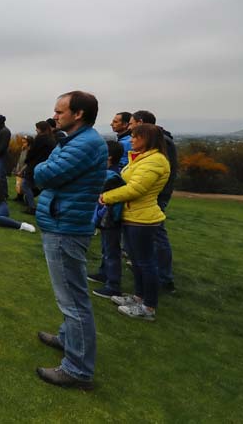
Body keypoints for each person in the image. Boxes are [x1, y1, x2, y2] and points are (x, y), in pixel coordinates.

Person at [34, 90, 107, 390]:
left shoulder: (85, 143)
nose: (54, 116)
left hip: (66, 226)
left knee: (73, 300)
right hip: (63, 221)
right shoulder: (74, 140)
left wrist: (40, 169)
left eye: (59, 111)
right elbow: (50, 169)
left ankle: (77, 369)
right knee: (70, 294)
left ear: (78, 114)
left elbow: (45, 174)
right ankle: (68, 339)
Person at [100, 123, 171, 321]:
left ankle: (148, 307)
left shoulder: (155, 161)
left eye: (135, 136)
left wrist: (107, 197)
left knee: (145, 263)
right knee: (137, 261)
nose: (131, 140)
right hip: (132, 215)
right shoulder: (142, 158)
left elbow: (136, 189)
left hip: (143, 219)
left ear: (147, 139)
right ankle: (139, 297)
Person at [130, 110, 178, 292]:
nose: (130, 128)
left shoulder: (161, 142)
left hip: (155, 195)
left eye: (132, 124)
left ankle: (163, 278)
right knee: (151, 237)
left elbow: (159, 172)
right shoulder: (159, 141)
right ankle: (152, 273)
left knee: (157, 235)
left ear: (141, 123)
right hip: (153, 194)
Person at [88, 140, 126, 299]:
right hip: (105, 218)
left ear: (109, 156)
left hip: (110, 219)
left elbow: (106, 199)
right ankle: (104, 273)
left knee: (111, 251)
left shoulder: (112, 177)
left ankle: (113, 285)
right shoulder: (110, 173)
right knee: (106, 248)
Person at [22, 121, 56, 214]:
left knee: (25, 184)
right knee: (36, 185)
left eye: (37, 128)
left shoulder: (40, 139)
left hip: (34, 165)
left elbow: (33, 152)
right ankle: (32, 202)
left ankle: (32, 206)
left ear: (41, 129)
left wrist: (27, 160)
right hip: (45, 165)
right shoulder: (51, 140)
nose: (36, 130)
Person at [12, 136, 33, 200]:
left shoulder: (30, 151)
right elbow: (20, 159)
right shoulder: (23, 149)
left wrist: (21, 170)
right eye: (22, 142)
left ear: (29, 143)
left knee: (23, 184)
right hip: (20, 167)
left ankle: (26, 198)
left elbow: (27, 163)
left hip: (25, 169)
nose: (23, 144)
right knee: (18, 183)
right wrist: (17, 168)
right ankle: (19, 197)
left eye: (25, 142)